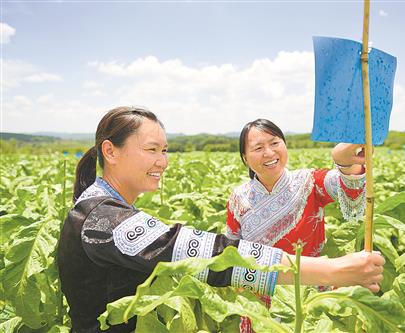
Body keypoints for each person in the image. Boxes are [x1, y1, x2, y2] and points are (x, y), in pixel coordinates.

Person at [57, 107, 385, 333]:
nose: (162, 161)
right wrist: (339, 270)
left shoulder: (96, 210)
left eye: (165, 150)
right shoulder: (103, 221)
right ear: (110, 152)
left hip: (307, 296)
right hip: (265, 296)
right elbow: (213, 254)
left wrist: (343, 161)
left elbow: (350, 191)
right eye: (152, 149)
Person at [226, 119, 367, 332]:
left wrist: (345, 161)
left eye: (274, 143)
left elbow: (345, 184)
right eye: (258, 148)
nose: (269, 152)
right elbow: (232, 249)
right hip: (262, 305)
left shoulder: (308, 181)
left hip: (312, 297)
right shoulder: (238, 198)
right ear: (245, 158)